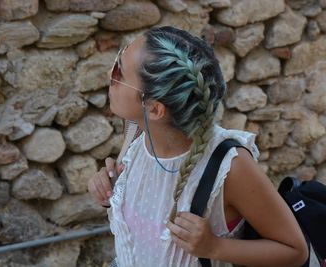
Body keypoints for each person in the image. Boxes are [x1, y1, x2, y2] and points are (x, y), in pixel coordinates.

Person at [87, 26, 308, 267]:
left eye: (120, 72)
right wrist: (111, 191)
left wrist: (215, 247)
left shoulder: (230, 167)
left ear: (155, 109)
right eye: (118, 58)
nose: (110, 72)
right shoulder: (138, 136)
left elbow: (295, 250)